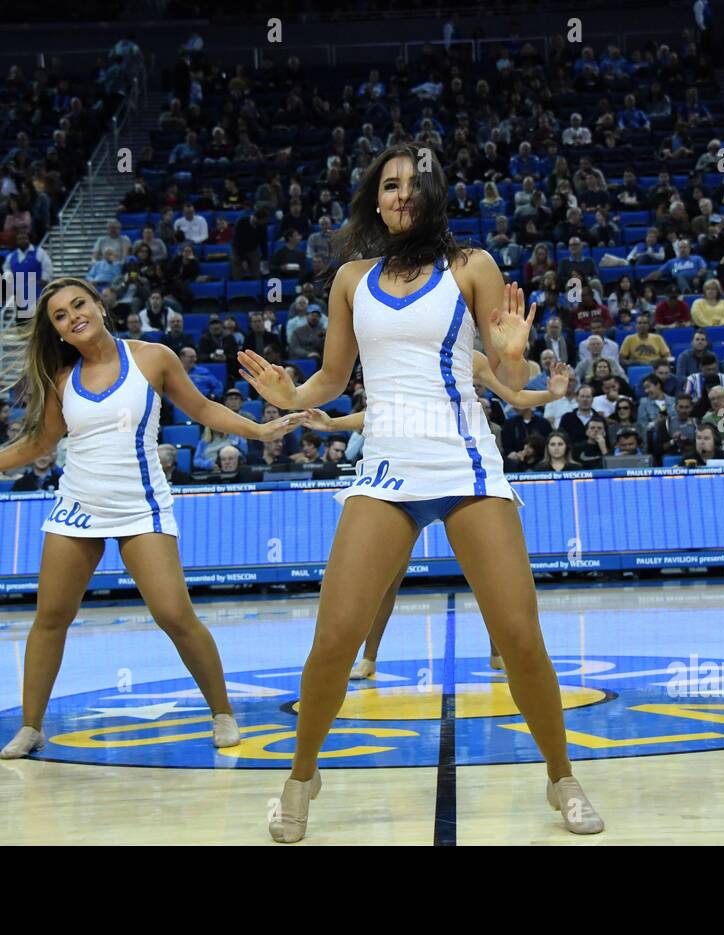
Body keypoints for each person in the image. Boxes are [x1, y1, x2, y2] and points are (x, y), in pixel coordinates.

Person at [237, 143, 603, 842]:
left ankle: (561, 775)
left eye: (415, 183)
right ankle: (301, 775)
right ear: (375, 199)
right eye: (390, 184)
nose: (402, 194)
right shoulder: (350, 278)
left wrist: (518, 347)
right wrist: (290, 394)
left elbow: (504, 364)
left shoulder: (473, 267)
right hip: (386, 470)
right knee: (335, 637)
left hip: (464, 464)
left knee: (520, 636)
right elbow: (332, 380)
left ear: (433, 194)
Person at [0, 277, 301, 759]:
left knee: (174, 615)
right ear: (60, 335)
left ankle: (221, 711)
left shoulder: (153, 358)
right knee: (50, 618)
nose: (73, 317)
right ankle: (31, 726)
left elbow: (202, 408)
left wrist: (259, 430)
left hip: (140, 506)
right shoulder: (62, 379)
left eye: (78, 305)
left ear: (100, 306)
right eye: (61, 317)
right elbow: (39, 444)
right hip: (76, 508)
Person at [304, 356, 572, 678]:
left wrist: (552, 395)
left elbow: (515, 396)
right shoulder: (399, 355)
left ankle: (498, 652)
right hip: (404, 475)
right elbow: (382, 414)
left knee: (491, 577)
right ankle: (369, 658)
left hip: (460, 470)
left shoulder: (471, 359)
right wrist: (333, 424)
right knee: (388, 580)